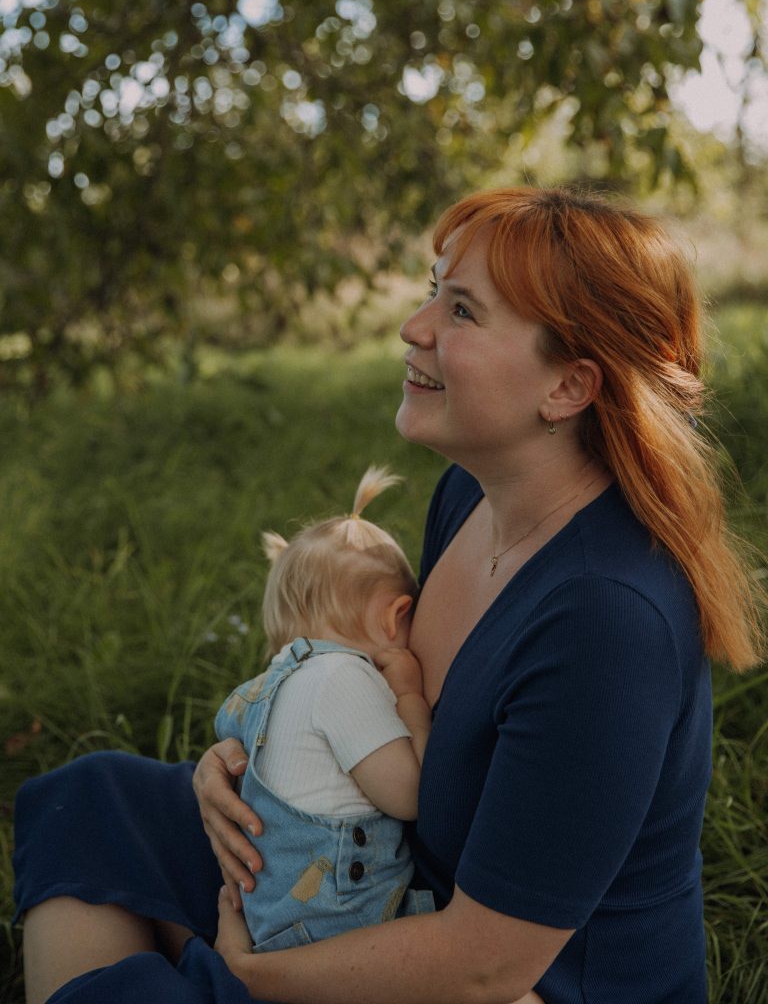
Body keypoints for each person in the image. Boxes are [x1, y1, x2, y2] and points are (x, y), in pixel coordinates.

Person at [14, 186, 764, 1004]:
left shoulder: (607, 619)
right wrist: (243, 772)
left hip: (522, 982)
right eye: (433, 289)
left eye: (464, 311)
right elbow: (374, 699)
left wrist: (252, 973)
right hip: (385, 867)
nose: (415, 325)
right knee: (95, 799)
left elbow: (486, 963)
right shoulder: (468, 497)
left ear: (568, 388)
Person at [212, 465, 434, 952]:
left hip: (273, 921)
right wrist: (411, 699)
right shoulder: (344, 678)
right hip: (342, 926)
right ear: (396, 616)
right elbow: (410, 795)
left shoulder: (259, 690)